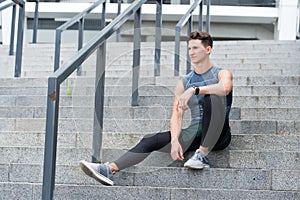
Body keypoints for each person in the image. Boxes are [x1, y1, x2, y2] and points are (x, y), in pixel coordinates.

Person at [79, 31, 233, 186]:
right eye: (189, 48)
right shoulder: (184, 82)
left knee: (211, 98)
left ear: (208, 50)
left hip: (219, 133)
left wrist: (195, 90)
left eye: (196, 48)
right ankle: (108, 169)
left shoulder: (221, 73)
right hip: (195, 133)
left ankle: (202, 154)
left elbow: (225, 88)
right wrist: (174, 141)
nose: (191, 52)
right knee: (150, 139)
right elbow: (176, 115)